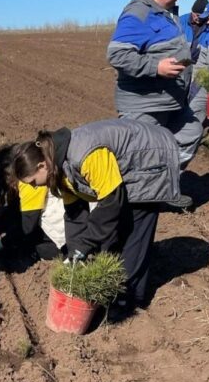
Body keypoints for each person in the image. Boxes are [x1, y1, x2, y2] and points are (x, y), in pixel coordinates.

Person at [12, 118, 182, 313]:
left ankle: (129, 300)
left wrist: (85, 246)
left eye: (33, 181)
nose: (34, 187)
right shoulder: (58, 170)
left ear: (42, 166)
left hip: (151, 161)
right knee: (111, 235)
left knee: (133, 231)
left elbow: (111, 202)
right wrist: (75, 252)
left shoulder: (84, 155)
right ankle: (115, 290)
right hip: (127, 175)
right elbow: (75, 213)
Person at [107, 0, 203, 175]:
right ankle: (135, 199)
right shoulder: (139, 12)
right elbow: (117, 54)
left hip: (172, 102)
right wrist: (156, 68)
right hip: (145, 105)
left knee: (190, 132)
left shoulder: (167, 14)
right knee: (142, 158)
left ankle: (163, 184)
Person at [0, 143, 68, 261]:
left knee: (30, 246)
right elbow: (14, 208)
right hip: (65, 218)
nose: (11, 188)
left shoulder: (29, 183)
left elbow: (26, 228)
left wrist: (0, 244)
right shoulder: (26, 171)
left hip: (63, 227)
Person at [179, 0, 209, 64]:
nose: (200, 18)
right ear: (192, 12)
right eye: (197, 15)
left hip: (197, 64)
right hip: (180, 62)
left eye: (203, 16)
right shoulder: (180, 21)